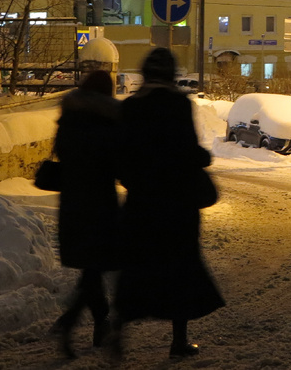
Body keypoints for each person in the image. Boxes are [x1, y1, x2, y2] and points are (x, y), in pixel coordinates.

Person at [114, 48, 223, 358]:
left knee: (136, 267)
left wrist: (135, 182)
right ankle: (178, 340)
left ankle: (119, 329)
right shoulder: (178, 105)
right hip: (177, 206)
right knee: (180, 270)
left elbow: (122, 158)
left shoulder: (131, 107)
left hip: (142, 206)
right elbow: (189, 153)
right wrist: (202, 157)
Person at [50, 69, 121, 359]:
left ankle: (97, 324)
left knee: (90, 267)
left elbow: (59, 152)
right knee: (101, 264)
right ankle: (83, 322)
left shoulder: (70, 113)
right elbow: (117, 161)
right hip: (101, 201)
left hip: (73, 203)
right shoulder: (109, 118)